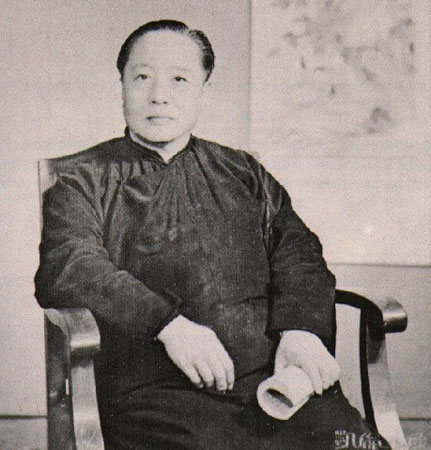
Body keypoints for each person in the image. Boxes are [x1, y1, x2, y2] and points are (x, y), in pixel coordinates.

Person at [35, 20, 390, 450]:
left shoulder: (243, 171)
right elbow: (72, 266)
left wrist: (301, 331)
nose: (159, 95)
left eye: (179, 80)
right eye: (142, 77)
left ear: (204, 88)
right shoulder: (83, 181)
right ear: (122, 85)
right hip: (157, 395)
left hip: (274, 382)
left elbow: (298, 251)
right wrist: (169, 326)